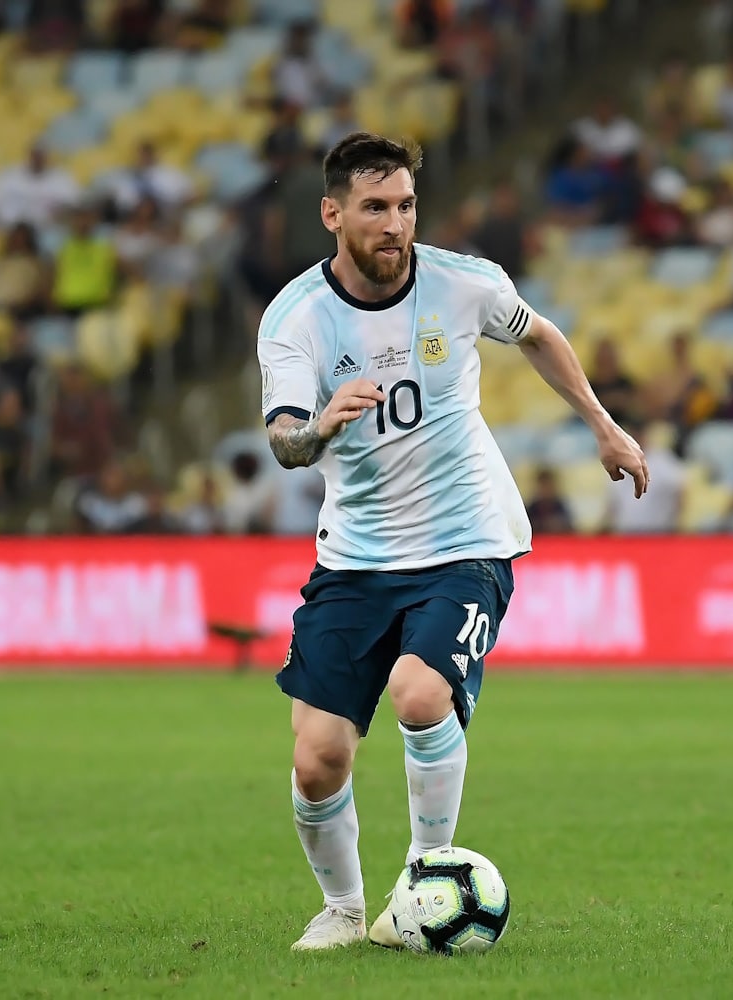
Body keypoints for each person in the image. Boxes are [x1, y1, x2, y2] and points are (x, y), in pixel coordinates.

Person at [256, 133, 648, 951]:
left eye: (403, 205)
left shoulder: (463, 283)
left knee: (420, 692)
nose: (394, 223)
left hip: (466, 536)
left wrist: (604, 427)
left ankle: (428, 874)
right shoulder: (296, 318)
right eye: (373, 208)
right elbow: (287, 438)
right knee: (317, 759)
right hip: (356, 556)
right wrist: (321, 425)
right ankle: (344, 910)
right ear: (332, 214)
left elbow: (539, 333)